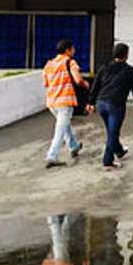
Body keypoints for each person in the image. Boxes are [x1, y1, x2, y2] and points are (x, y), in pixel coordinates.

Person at [87, 43, 133, 171]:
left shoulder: (104, 67)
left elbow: (95, 85)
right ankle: (108, 161)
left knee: (111, 131)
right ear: (126, 55)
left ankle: (119, 150)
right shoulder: (130, 71)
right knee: (113, 133)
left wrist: (90, 102)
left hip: (101, 103)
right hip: (115, 105)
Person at [42, 38, 87, 169]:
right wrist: (85, 84)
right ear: (67, 50)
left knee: (64, 126)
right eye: (72, 49)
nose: (74, 51)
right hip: (65, 101)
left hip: (52, 102)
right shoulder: (70, 62)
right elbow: (78, 80)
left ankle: (74, 146)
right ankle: (52, 156)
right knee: (60, 130)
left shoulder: (49, 64)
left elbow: (46, 83)